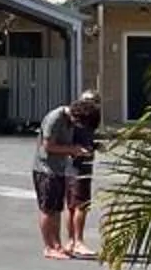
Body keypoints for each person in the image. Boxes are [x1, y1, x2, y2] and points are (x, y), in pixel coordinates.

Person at [34, 91, 101, 259]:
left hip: (60, 169)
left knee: (57, 209)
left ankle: (57, 245)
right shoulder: (55, 118)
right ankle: (49, 247)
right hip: (45, 169)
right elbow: (48, 147)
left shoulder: (70, 121)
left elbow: (67, 144)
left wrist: (82, 149)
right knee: (48, 209)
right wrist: (73, 150)